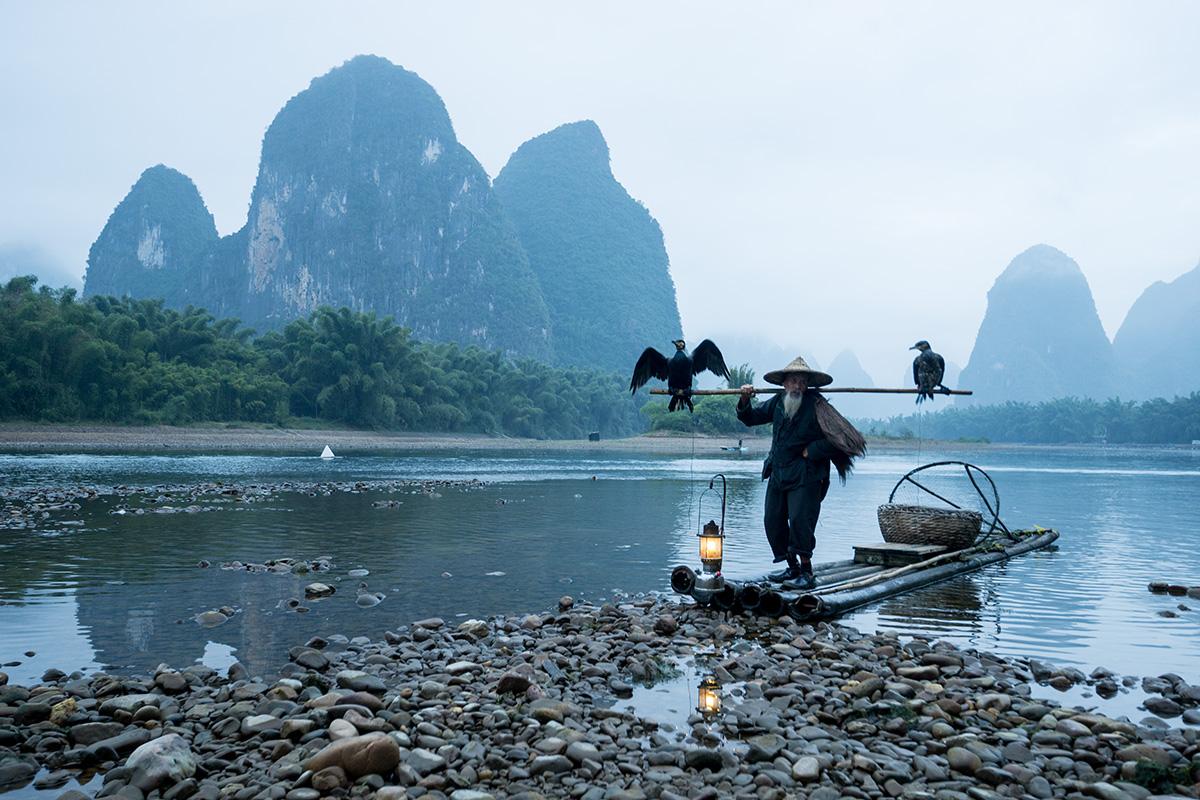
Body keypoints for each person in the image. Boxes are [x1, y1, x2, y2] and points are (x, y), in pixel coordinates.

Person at [736, 356, 864, 589]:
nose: (797, 386)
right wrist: (744, 399)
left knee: (800, 521)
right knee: (772, 520)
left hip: (806, 475)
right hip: (778, 471)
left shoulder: (818, 406)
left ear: (807, 385)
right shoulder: (777, 401)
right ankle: (791, 567)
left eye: (802, 382)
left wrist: (812, 450)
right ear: (784, 384)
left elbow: (848, 441)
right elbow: (751, 418)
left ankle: (806, 572)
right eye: (793, 381)